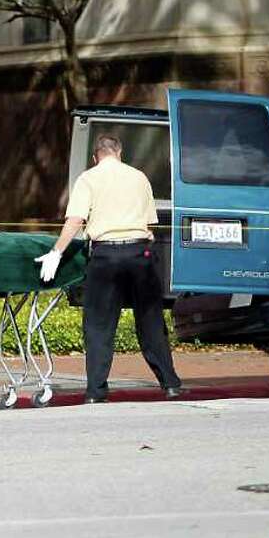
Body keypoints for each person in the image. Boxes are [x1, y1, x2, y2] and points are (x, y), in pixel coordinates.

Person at [36, 134, 183, 403]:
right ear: (119, 152)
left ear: (96, 157)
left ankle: (96, 391)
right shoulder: (139, 177)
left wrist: (56, 252)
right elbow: (150, 224)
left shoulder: (88, 178)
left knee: (99, 325)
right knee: (150, 320)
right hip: (141, 252)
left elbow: (76, 220)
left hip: (105, 254)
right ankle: (170, 384)